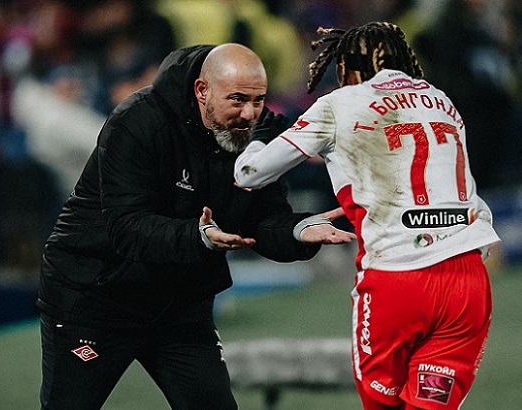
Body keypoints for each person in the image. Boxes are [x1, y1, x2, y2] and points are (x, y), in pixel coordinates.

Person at [37, 42, 355, 410]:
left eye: (258, 100)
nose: (249, 113)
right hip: (94, 298)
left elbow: (262, 219)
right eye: (237, 100)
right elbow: (126, 226)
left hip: (179, 306)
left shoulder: (255, 131)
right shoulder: (139, 121)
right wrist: (199, 235)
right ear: (202, 90)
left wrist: (297, 231)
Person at [234, 22, 501, 410]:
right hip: (467, 282)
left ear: (346, 66)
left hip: (396, 279)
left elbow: (249, 175)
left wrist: (257, 137)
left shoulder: (339, 103)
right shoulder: (440, 99)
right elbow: (470, 197)